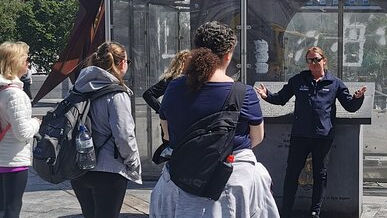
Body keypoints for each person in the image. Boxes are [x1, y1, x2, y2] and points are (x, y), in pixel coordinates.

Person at [150, 21, 279, 218]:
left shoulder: (174, 88)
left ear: (195, 50)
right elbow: (257, 138)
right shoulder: (242, 93)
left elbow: (167, 133)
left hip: (180, 180)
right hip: (233, 182)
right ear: (228, 54)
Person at [255, 46, 367, 218]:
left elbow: (350, 106)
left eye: (316, 59)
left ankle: (315, 211)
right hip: (300, 135)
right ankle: (286, 211)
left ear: (324, 60)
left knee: (320, 175)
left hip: (322, 136)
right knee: (292, 173)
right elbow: (281, 98)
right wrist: (266, 95)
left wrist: (358, 98)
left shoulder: (334, 83)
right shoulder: (298, 80)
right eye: (310, 60)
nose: (313, 63)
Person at [70, 41, 142, 218]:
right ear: (122, 63)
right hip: (109, 169)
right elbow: (124, 134)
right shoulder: (117, 94)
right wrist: (132, 163)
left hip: (78, 168)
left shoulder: (76, 90)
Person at [0, 41, 41, 218]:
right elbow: (22, 132)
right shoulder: (15, 94)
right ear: (15, 62)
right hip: (13, 159)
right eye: (26, 60)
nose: (28, 64)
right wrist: (36, 122)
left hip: (2, 156)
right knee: (12, 208)